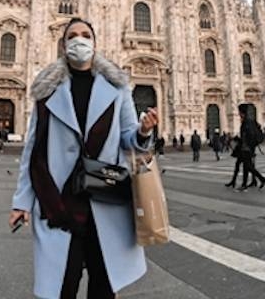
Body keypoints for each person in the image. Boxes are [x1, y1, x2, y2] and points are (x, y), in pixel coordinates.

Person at [9, 18, 157, 299]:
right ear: (63, 45)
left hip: (104, 195)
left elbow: (129, 138)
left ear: (95, 43)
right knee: (64, 284)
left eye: (86, 35)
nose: (80, 40)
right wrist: (21, 202)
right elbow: (33, 149)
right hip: (61, 200)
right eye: (73, 36)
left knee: (103, 287)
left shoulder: (118, 87)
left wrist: (143, 131)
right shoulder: (46, 89)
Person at [236, 104, 265, 192]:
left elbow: (249, 135)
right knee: (246, 166)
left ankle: (262, 179)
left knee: (248, 166)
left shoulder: (246, 122)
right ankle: (245, 184)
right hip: (248, 147)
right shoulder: (250, 120)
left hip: (247, 148)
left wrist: (246, 144)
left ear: (242, 113)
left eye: (239, 112)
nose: (238, 114)